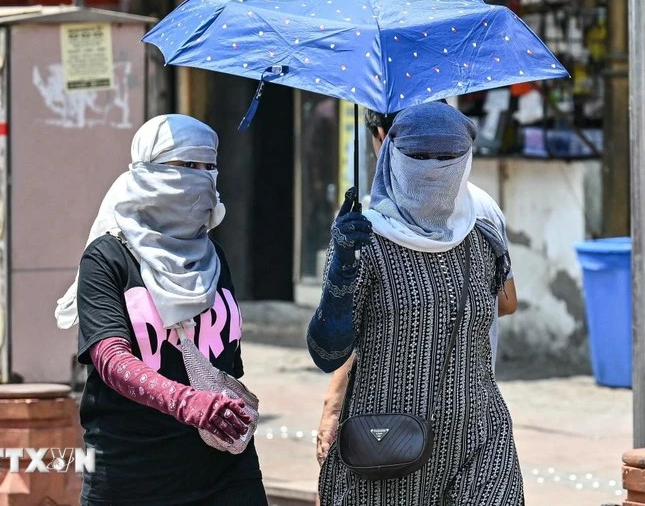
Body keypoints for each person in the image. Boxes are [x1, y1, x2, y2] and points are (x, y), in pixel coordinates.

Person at [308, 102, 524, 504]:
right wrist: (339, 271)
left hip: (480, 439)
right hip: (388, 445)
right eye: (419, 156)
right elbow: (327, 351)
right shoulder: (365, 242)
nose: (433, 167)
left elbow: (505, 303)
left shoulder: (481, 240)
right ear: (391, 154)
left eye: (447, 157)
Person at [61, 115, 268, 506]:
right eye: (188, 166)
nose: (203, 178)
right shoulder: (108, 259)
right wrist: (186, 402)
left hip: (224, 468)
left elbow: (226, 361)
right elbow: (109, 357)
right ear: (147, 170)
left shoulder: (214, 258)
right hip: (132, 474)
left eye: (210, 166)